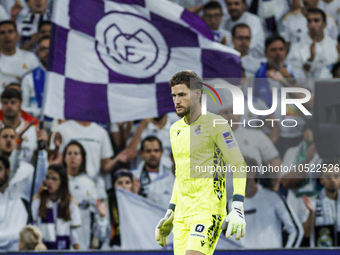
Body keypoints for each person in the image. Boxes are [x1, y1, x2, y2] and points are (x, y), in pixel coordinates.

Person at [155, 70, 247, 254]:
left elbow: (238, 164)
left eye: (182, 95)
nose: (177, 101)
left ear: (197, 94)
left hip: (208, 209)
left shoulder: (216, 123)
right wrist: (170, 212)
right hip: (182, 214)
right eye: (174, 95)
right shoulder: (175, 130)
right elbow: (180, 176)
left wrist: (237, 206)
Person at [253, 36, 313, 157]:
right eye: (273, 50)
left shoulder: (298, 73)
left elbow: (309, 102)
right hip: (270, 133)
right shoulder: (257, 75)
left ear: (286, 52)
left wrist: (287, 80)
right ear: (265, 53)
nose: (278, 53)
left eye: (281, 49)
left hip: (297, 133)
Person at [237, 157, 303, 248]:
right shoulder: (230, 203)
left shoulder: (273, 198)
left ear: (252, 172)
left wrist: (286, 254)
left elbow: (296, 230)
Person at [62, 141, 108, 250]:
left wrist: (95, 243)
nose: (72, 156)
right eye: (69, 153)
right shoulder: (58, 182)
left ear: (82, 158)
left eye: (76, 153)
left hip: (84, 240)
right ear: (64, 157)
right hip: (62, 240)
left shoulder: (89, 184)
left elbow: (98, 215)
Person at [31, 164, 81, 250]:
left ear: (62, 181)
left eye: (54, 179)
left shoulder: (70, 203)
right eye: (47, 178)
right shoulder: (37, 202)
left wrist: (78, 250)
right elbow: (33, 230)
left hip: (63, 250)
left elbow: (74, 235)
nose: (50, 182)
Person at [288, 8, 338, 78]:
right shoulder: (296, 47)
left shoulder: (334, 45)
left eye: (316, 20)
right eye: (309, 21)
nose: (312, 24)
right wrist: (311, 59)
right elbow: (297, 74)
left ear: (325, 24)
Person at [302, 163, 340, 247]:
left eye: (336, 176)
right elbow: (306, 233)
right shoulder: (312, 202)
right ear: (321, 180)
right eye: (328, 177)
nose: (332, 180)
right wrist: (312, 213)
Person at [0, 88, 38, 163]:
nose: (9, 106)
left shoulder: (31, 131)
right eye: (5, 103)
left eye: (13, 102)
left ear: (20, 103)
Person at [0, 20, 40, 91]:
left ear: (17, 36)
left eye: (10, 32)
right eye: (2, 33)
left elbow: (38, 83)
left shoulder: (30, 58)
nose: (7, 36)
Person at [21, 35, 50, 117]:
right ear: (38, 52)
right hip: (34, 123)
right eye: (43, 49)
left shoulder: (64, 78)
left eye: (51, 49)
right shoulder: (28, 78)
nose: (48, 52)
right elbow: (23, 109)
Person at [108, 169, 137, 248]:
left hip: (134, 245)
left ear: (132, 185)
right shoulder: (108, 204)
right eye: (120, 183)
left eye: (127, 183)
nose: (124, 186)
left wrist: (136, 196)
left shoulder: (139, 204)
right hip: (113, 246)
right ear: (114, 185)